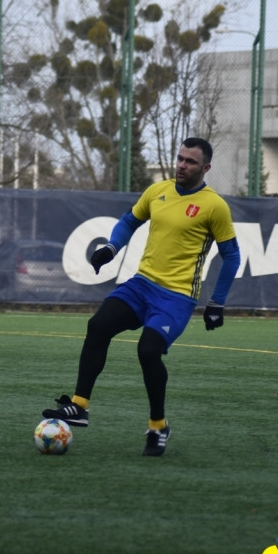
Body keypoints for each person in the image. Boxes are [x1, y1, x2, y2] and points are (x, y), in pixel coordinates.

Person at [42, 137, 240, 456]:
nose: (181, 165)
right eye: (179, 158)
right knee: (98, 326)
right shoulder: (156, 191)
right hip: (141, 285)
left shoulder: (214, 205)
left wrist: (217, 303)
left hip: (176, 298)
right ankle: (79, 406)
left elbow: (231, 256)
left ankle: (158, 426)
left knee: (148, 351)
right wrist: (111, 247)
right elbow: (130, 221)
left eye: (190, 161)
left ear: (206, 168)